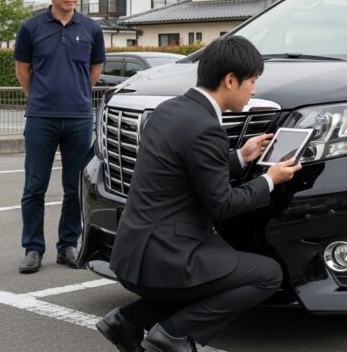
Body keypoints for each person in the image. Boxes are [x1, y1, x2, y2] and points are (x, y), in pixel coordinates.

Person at [97, 36, 302, 352]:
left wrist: (239, 157)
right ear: (230, 80)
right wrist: (270, 180)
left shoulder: (169, 110)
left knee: (218, 269)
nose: (254, 90)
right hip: (165, 259)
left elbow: (184, 171)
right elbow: (222, 205)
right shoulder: (208, 128)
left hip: (130, 253)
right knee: (267, 274)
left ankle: (127, 320)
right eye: (252, 81)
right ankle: (175, 335)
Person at [14, 0, 105, 274]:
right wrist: (41, 96)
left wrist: (76, 94)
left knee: (74, 186)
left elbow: (94, 71)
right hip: (41, 117)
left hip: (79, 117)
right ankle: (33, 248)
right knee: (34, 186)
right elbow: (23, 70)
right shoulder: (31, 28)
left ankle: (68, 245)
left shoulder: (91, 28)